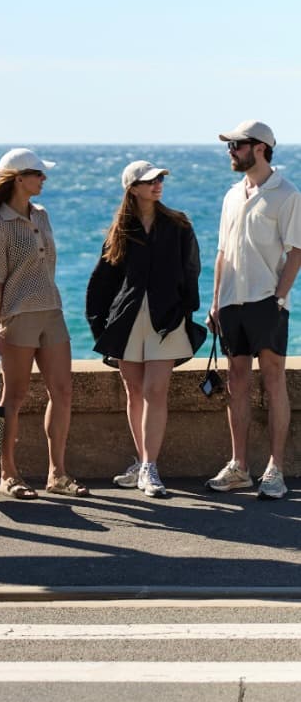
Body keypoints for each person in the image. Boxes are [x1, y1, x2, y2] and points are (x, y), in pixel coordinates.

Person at [86, 160, 207, 497]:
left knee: (155, 391)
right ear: (133, 188)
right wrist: (99, 326)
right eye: (149, 181)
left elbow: (191, 271)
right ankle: (141, 463)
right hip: (126, 323)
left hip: (166, 321)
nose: (157, 185)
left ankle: (150, 468)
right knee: (134, 392)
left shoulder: (178, 225)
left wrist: (185, 313)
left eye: (159, 179)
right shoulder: (121, 230)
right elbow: (103, 281)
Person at [0, 147, 88, 500]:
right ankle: (8, 474)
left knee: (64, 392)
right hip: (18, 317)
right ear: (18, 179)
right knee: (16, 397)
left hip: (52, 312)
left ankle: (58, 474)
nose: (44, 179)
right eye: (38, 174)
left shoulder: (42, 215)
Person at [206, 120, 301, 500]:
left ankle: (275, 469)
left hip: (267, 301)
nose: (231, 152)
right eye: (230, 147)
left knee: (274, 379)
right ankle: (239, 467)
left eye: (237, 146)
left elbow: (296, 252)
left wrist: (278, 297)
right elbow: (222, 253)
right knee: (237, 382)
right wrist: (215, 302)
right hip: (230, 303)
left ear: (260, 147)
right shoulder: (231, 195)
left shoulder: (286, 193)